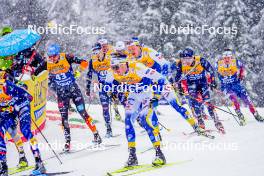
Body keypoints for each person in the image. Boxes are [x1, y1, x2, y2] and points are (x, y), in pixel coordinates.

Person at [105, 54, 203, 167]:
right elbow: (108, 86)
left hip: (151, 91)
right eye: (112, 67)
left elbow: (160, 79)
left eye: (116, 67)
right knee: (128, 121)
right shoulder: (111, 72)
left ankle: (159, 153)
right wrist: (113, 92)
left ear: (125, 64)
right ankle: (132, 156)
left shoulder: (138, 68)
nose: (115, 71)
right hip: (134, 94)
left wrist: (156, 97)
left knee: (145, 119)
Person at [35, 43, 102, 151]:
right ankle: (67, 143)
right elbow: (35, 73)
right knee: (64, 118)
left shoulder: (66, 57)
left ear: (58, 54)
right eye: (50, 56)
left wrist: (78, 73)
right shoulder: (46, 63)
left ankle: (96, 133)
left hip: (74, 90)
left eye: (54, 56)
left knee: (83, 113)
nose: (52, 58)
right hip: (62, 94)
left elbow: (84, 62)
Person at [0, 71, 46, 175]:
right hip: (9, 110)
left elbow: (29, 97)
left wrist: (14, 104)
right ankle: (3, 166)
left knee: (25, 131)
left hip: (21, 105)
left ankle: (39, 162)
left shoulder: (5, 85)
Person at [174, 48, 225, 134]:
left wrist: (213, 82)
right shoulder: (180, 63)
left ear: (193, 57)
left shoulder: (200, 60)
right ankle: (200, 122)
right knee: (195, 103)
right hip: (191, 85)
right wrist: (179, 87)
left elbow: (211, 70)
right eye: (184, 59)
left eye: (189, 59)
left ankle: (217, 121)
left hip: (202, 83)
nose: (187, 61)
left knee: (207, 102)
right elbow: (178, 77)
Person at [215, 49, 264, 125]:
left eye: (228, 58)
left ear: (231, 57)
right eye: (225, 58)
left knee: (246, 99)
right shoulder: (218, 64)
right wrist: (213, 81)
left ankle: (256, 114)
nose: (227, 59)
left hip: (236, 84)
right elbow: (211, 72)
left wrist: (241, 75)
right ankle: (240, 116)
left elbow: (242, 67)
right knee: (234, 99)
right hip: (226, 87)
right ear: (223, 58)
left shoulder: (236, 62)